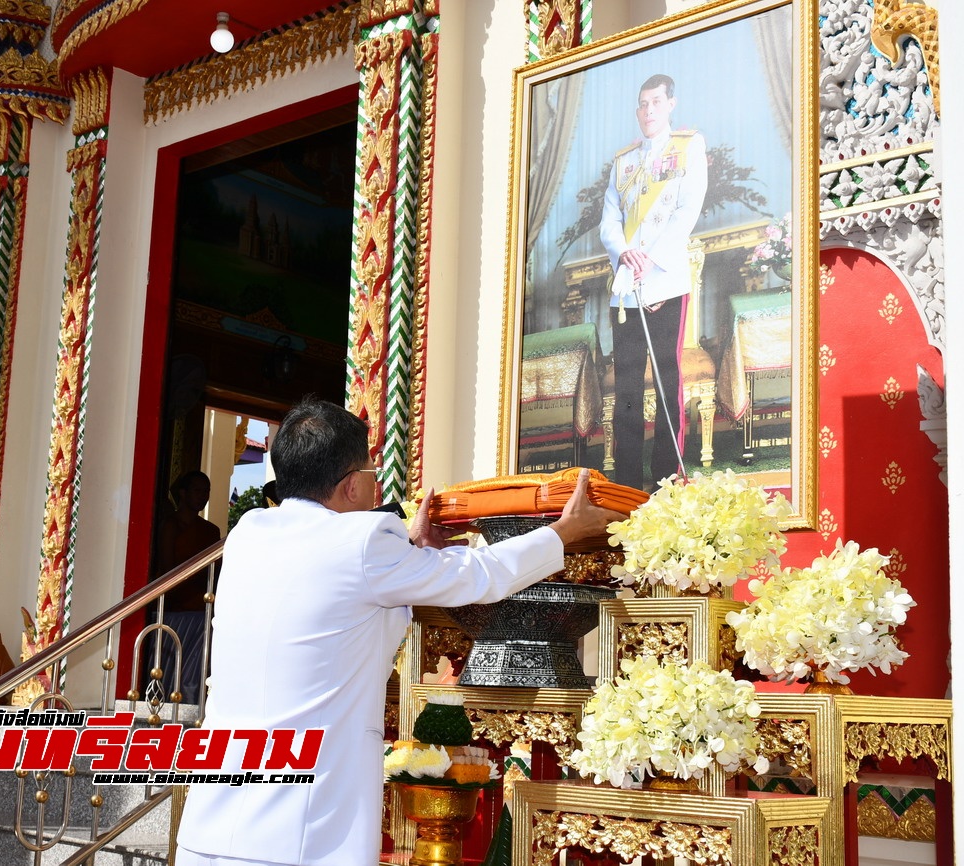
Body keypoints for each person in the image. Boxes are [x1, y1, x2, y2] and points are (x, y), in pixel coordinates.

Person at [175, 398, 624, 866]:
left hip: (214, 822)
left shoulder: (250, 532)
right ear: (352, 486)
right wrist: (564, 531)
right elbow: (480, 575)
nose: (375, 483)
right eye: (372, 471)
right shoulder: (364, 542)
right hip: (297, 835)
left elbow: (338, 589)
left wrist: (413, 552)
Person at [599, 73, 708, 490]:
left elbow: (687, 208)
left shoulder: (688, 147)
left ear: (671, 104)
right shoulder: (624, 160)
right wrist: (624, 252)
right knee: (626, 388)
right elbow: (610, 220)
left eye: (656, 103)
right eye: (642, 104)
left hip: (664, 280)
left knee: (666, 381)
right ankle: (626, 482)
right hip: (626, 285)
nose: (648, 111)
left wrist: (652, 260)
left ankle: (666, 477)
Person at [153, 470, 221, 702]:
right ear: (183, 493)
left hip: (201, 610)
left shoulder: (211, 531)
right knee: (167, 663)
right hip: (174, 609)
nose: (203, 496)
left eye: (207, 492)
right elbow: (168, 568)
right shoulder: (170, 526)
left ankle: (192, 701)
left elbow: (216, 573)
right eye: (198, 491)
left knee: (196, 667)